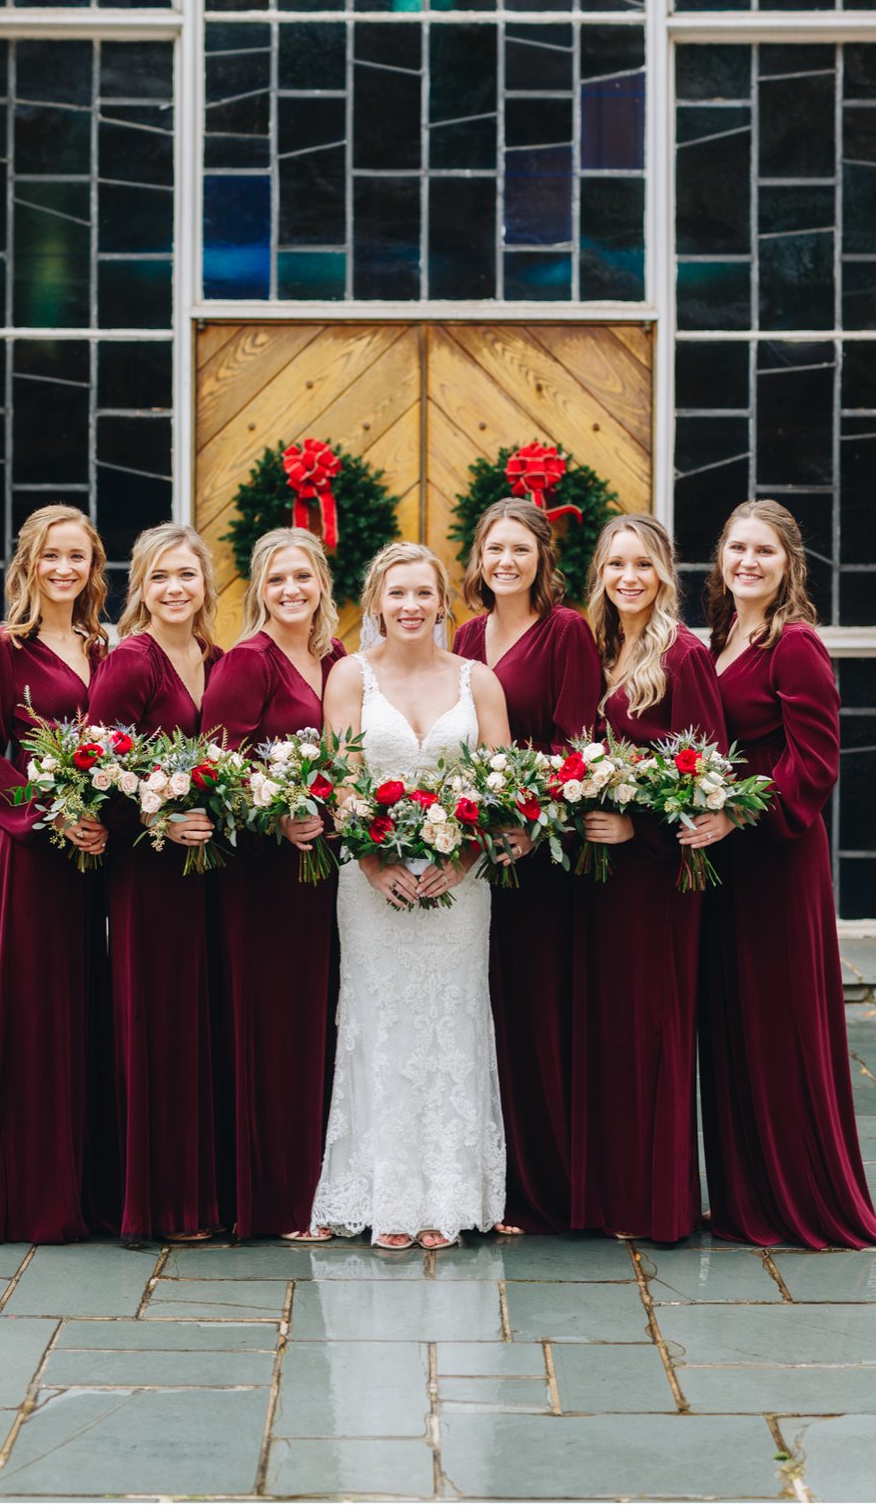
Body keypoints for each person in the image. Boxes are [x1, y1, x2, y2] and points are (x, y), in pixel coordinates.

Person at [697, 501, 876, 1249]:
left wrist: (736, 814)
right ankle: (748, 1196)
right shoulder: (722, 639)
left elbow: (814, 767)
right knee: (734, 1023)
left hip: (776, 860)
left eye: (765, 551)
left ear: (789, 564)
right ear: (721, 558)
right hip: (725, 862)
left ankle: (798, 1198)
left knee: (779, 1025)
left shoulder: (795, 644)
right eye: (737, 547)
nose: (748, 561)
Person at [308, 543, 513, 1249]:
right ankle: (383, 1194)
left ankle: (447, 1198)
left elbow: (502, 791)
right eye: (397, 593)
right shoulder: (348, 677)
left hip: (460, 887)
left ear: (443, 602)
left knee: (451, 1019)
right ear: (376, 600)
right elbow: (337, 782)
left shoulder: (478, 680)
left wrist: (466, 853)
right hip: (372, 887)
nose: (410, 606)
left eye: (424, 593)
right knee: (382, 1021)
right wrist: (369, 860)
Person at [0, 506, 117, 1245]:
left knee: (93, 1010)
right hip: (35, 860)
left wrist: (114, 810)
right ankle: (31, 1195)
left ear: (93, 567)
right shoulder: (3, 649)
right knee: (35, 1017)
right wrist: (51, 817)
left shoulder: (107, 646)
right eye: (51, 556)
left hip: (102, 857)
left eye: (76, 557)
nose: (63, 569)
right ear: (30, 563)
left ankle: (92, 1186)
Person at [574, 514, 727, 1244]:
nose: (628, 577)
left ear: (664, 572)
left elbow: (708, 771)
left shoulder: (684, 654)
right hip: (602, 878)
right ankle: (613, 1196)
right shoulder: (602, 646)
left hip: (659, 876)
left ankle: (658, 1205)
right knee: (612, 1035)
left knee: (656, 1034)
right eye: (615, 565)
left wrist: (641, 829)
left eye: (642, 564)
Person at [453, 500, 603, 1235]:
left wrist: (526, 816)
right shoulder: (466, 635)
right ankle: (491, 1178)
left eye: (519, 548)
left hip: (541, 856)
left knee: (541, 1014)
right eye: (494, 549)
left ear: (543, 558)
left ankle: (550, 1187)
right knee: (487, 1014)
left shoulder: (568, 632)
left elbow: (579, 743)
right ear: (478, 559)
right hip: (475, 854)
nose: (505, 561)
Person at [202, 527, 345, 1243]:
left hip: (330, 877)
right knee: (273, 1027)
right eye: (278, 578)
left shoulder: (337, 658)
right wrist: (276, 817)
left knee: (322, 1025)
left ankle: (323, 1186)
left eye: (304, 576)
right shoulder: (245, 662)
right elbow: (215, 775)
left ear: (322, 581)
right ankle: (273, 1199)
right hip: (265, 879)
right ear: (260, 588)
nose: (292, 590)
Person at [87, 523, 226, 1243]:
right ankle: (155, 1203)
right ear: (139, 585)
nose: (176, 588)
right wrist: (158, 820)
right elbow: (96, 765)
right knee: (155, 1024)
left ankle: (203, 1192)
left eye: (188, 575)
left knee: (201, 1027)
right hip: (149, 873)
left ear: (207, 585)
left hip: (211, 875)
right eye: (161, 576)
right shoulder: (132, 660)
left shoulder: (217, 657)